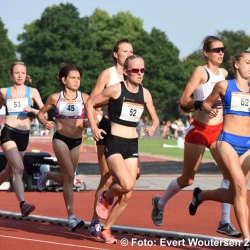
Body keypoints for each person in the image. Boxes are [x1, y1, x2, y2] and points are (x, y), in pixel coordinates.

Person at [151, 36, 242, 237]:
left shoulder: (226, 74)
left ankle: (224, 221)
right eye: (216, 49)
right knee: (187, 179)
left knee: (230, 175)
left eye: (223, 49)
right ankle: (160, 203)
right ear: (206, 53)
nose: (221, 53)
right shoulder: (201, 72)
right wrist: (200, 104)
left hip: (219, 131)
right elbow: (183, 101)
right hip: (200, 130)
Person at [189, 51, 250, 246]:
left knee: (234, 194)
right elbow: (206, 103)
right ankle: (248, 239)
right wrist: (208, 109)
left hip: (248, 145)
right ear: (236, 65)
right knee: (241, 188)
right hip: (227, 141)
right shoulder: (224, 85)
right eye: (247, 62)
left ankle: (200, 195)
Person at [86, 54, 159, 243]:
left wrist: (153, 125)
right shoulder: (116, 90)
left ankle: (107, 229)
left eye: (143, 70)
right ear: (126, 71)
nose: (140, 73)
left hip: (132, 143)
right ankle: (105, 196)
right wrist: (94, 127)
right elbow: (90, 102)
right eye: (136, 70)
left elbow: (155, 117)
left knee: (128, 193)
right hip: (114, 142)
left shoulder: (145, 93)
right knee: (126, 184)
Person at [87, 39, 134, 238]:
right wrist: (95, 124)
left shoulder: (134, 74)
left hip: (127, 131)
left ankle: (107, 199)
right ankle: (95, 221)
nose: (129, 54)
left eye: (132, 51)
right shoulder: (108, 74)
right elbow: (92, 99)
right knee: (106, 176)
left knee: (133, 175)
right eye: (125, 51)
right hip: (107, 128)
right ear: (116, 54)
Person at [36, 64, 89, 231]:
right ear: (64, 80)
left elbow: (92, 118)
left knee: (69, 178)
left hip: (77, 141)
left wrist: (89, 123)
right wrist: (44, 122)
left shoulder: (85, 98)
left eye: (78, 78)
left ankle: (48, 173)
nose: (76, 81)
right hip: (60, 139)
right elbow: (40, 113)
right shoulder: (54, 98)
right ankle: (71, 217)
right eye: (73, 78)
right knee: (70, 174)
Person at [0, 61, 44, 216]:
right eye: (17, 73)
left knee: (10, 170)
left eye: (23, 73)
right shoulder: (4, 91)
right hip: (8, 132)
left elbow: (44, 112)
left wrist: (33, 110)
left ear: (26, 74)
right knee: (19, 168)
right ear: (11, 74)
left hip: (24, 135)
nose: (20, 76)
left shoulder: (33, 92)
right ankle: (23, 204)